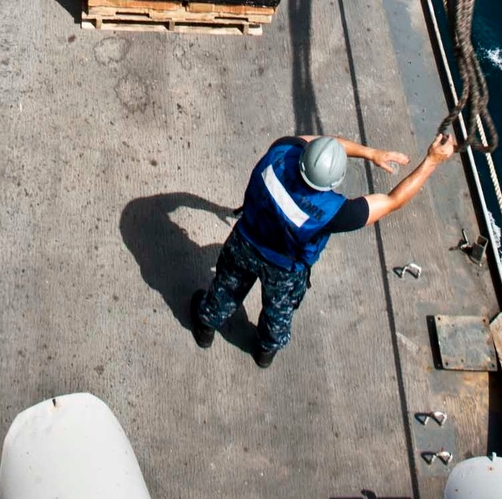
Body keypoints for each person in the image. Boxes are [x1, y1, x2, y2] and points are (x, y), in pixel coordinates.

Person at [192, 131, 457, 366]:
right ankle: (265, 351)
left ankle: (206, 325)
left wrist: (370, 152)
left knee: (225, 288)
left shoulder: (281, 150)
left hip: (245, 242)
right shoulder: (335, 213)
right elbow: (392, 201)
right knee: (278, 313)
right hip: (285, 269)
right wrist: (431, 161)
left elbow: (320, 143)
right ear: (333, 183)